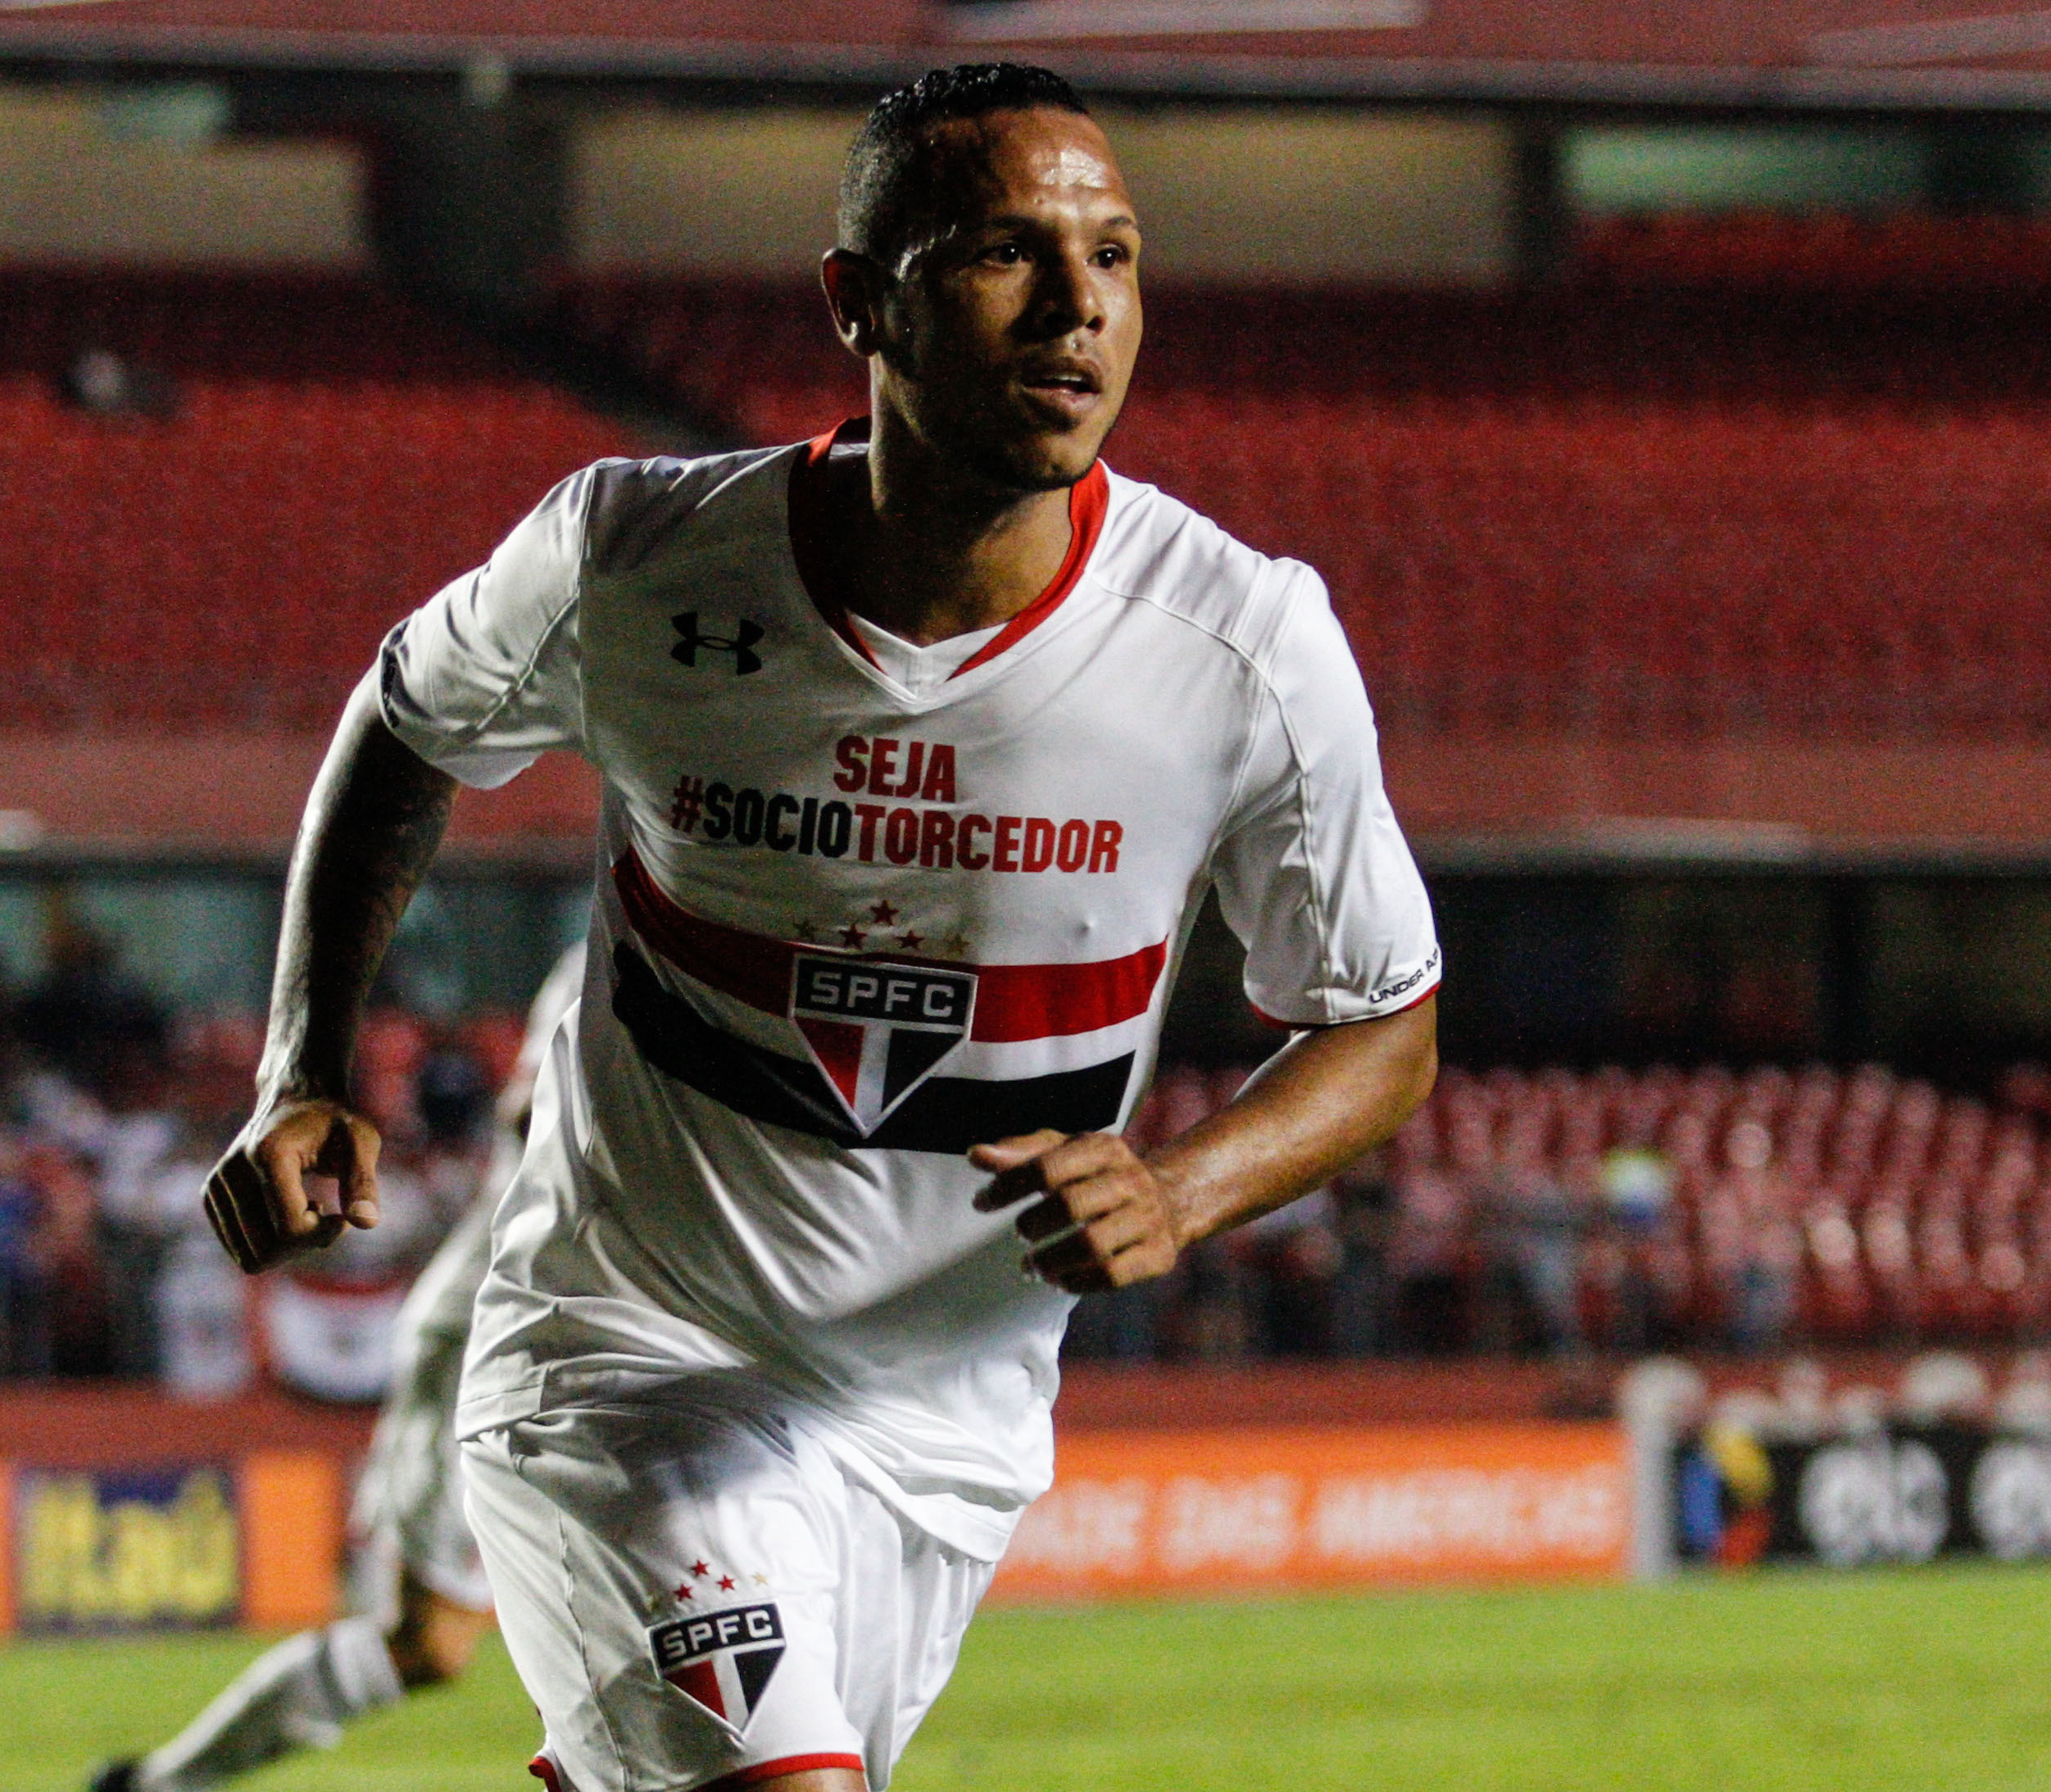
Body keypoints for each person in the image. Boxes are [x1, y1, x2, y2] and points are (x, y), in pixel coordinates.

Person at [202, 62, 1441, 1792]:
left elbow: (1381, 1015)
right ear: (860, 300)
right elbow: (408, 718)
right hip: (629, 1353)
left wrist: (1181, 1183)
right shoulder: (636, 560)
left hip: (943, 1424)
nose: (1081, 306)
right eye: (1011, 253)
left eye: (1117, 256)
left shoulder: (1241, 648)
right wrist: (303, 1064)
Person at [90, 945, 582, 1792]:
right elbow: (529, 1113)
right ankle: (163, 1783)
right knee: (423, 1642)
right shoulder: (634, 935)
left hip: (647, 1338)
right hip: (512, 1322)